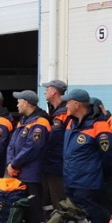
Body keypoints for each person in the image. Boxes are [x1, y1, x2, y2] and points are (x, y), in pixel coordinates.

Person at [61, 89, 112, 223]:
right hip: (71, 180)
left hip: (87, 183)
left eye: (68, 102)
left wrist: (96, 174)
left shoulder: (99, 125)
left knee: (93, 215)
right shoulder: (71, 124)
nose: (66, 106)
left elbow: (109, 156)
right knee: (75, 216)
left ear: (77, 104)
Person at [6, 90, 51, 223]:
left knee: (33, 210)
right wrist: (10, 163)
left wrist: (14, 164)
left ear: (26, 103)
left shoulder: (40, 122)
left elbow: (32, 147)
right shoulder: (23, 121)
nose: (17, 105)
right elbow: (12, 144)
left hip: (32, 174)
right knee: (20, 209)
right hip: (19, 172)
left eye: (19, 102)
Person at [41, 79, 69, 215]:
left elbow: (54, 138)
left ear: (54, 91)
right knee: (48, 199)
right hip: (50, 163)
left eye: (48, 88)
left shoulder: (63, 112)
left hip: (57, 164)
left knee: (58, 199)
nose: (45, 91)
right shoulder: (54, 111)